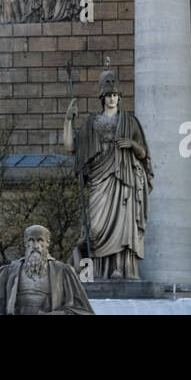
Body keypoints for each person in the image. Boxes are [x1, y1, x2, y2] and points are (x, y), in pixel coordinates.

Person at [63, 61, 152, 280]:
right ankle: (98, 272)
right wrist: (67, 120)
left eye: (115, 94)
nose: (112, 98)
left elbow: (144, 155)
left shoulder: (130, 122)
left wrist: (132, 145)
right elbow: (71, 146)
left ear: (119, 97)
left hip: (123, 180)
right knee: (95, 228)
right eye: (108, 94)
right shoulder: (92, 122)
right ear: (102, 97)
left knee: (123, 226)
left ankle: (119, 269)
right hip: (99, 179)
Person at [0, 225, 94, 315]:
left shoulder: (63, 272)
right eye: (31, 240)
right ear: (25, 243)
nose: (36, 246)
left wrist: (61, 313)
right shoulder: (8, 271)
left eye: (40, 240)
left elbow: (82, 309)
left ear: (48, 243)